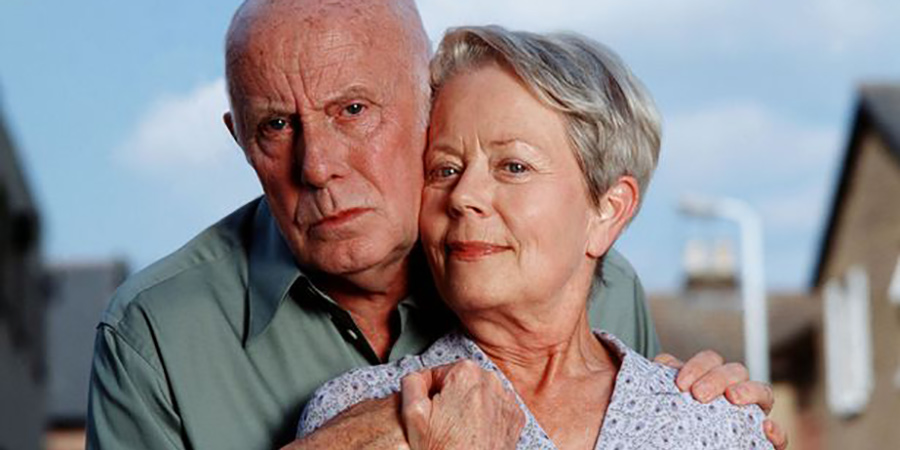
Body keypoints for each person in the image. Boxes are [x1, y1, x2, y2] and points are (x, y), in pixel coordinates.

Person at [85, 1, 785, 449]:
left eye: (353, 111)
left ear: (424, 104)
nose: (320, 165)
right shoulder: (153, 334)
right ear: (240, 140)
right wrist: (378, 432)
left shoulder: (597, 282)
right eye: (276, 126)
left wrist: (706, 409)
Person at [298, 26, 775, 450]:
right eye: (444, 169)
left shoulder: (715, 420)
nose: (464, 196)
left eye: (513, 167)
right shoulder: (355, 414)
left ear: (607, 211)